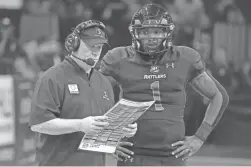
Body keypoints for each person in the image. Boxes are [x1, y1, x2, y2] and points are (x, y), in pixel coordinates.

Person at [99, 4, 229, 166]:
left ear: (167, 33)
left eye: (157, 31)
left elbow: (218, 96)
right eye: (145, 32)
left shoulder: (185, 58)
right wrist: (107, 139)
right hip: (133, 154)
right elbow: (93, 95)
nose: (151, 37)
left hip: (172, 155)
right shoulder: (119, 58)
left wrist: (200, 137)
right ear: (136, 33)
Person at [29, 20, 136, 166]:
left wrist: (122, 130)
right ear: (74, 44)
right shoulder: (52, 77)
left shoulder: (103, 82)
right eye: (91, 46)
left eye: (99, 47)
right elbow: (38, 124)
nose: (96, 51)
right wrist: (80, 125)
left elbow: (103, 129)